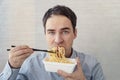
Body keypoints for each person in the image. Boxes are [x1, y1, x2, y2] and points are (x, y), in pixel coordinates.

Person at [0, 5, 105, 80]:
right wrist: (12, 66)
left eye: (65, 31)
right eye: (51, 32)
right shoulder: (31, 64)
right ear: (45, 34)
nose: (58, 40)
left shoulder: (92, 65)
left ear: (75, 33)